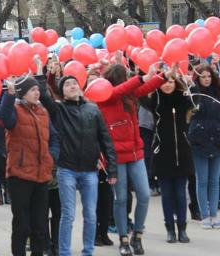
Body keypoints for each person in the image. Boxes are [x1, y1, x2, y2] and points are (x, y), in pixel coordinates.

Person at [38, 74, 117, 256]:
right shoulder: (59, 110)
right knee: (68, 214)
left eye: (75, 83)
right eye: (67, 85)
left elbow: (106, 140)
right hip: (67, 169)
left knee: (90, 214)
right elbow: (44, 95)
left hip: (90, 170)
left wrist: (111, 168)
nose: (72, 86)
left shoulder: (93, 109)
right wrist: (38, 69)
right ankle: (65, 252)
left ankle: (87, 251)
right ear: (62, 92)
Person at [98, 63, 170, 256]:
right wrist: (139, 78)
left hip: (135, 151)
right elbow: (121, 90)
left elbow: (146, 88)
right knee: (120, 199)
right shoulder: (106, 95)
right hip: (116, 156)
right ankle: (123, 239)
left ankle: (137, 236)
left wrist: (164, 76)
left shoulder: (130, 95)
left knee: (144, 195)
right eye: (126, 76)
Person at [0, 77, 60, 256]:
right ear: (23, 93)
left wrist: (51, 156)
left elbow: (54, 138)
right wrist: (8, 96)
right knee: (22, 225)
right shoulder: (15, 110)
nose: (37, 92)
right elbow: (3, 119)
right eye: (32, 89)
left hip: (41, 175)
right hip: (20, 175)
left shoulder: (43, 112)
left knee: (40, 226)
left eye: (37, 89)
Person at [140, 77, 193, 243]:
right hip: (162, 153)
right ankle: (169, 228)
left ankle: (182, 229)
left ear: (175, 82)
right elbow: (140, 96)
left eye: (170, 81)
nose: (167, 85)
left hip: (182, 153)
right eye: (164, 82)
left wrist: (189, 82)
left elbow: (194, 98)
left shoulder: (183, 97)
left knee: (180, 193)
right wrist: (150, 81)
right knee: (167, 194)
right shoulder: (155, 99)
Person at [188, 64, 220, 229]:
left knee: (215, 181)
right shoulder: (193, 94)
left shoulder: (218, 92)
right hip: (199, 140)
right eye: (203, 76)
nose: (207, 79)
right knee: (202, 180)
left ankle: (214, 214)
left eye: (209, 76)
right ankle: (204, 215)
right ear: (198, 78)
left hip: (217, 140)